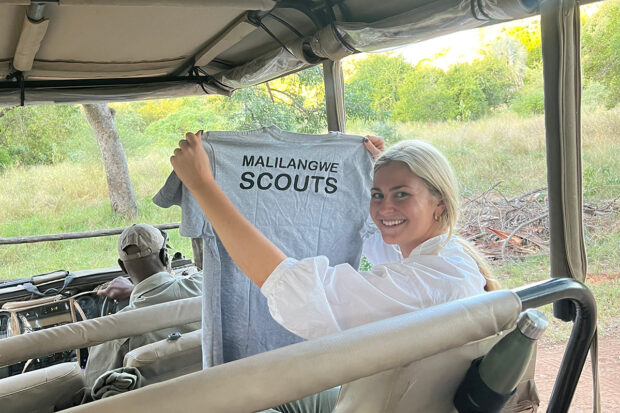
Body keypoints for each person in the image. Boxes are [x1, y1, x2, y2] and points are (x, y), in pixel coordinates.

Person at [170, 132, 498, 411]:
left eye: (402, 194)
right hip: (393, 395)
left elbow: (302, 293)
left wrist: (203, 186)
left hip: (378, 402)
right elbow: (383, 248)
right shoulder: (452, 261)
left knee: (231, 396)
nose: (385, 208)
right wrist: (382, 165)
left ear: (439, 202)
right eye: (377, 194)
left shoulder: (428, 281)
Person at [83, 224, 202, 388]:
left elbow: (93, 388)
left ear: (122, 267)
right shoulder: (206, 285)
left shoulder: (114, 335)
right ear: (165, 257)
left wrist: (135, 291)